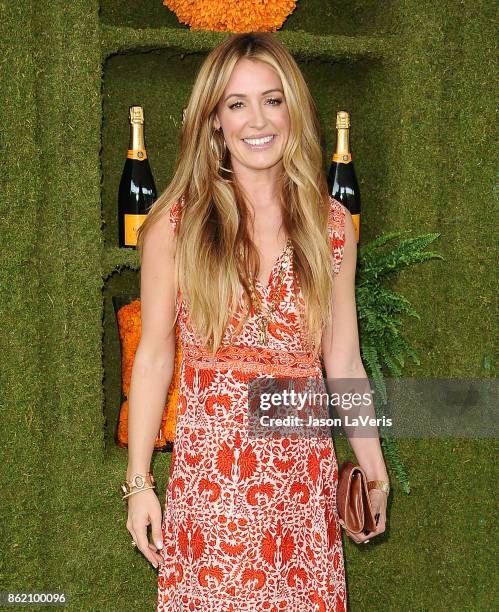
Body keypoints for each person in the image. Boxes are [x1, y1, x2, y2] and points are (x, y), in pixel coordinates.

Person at [123, 32, 390, 611]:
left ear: (293, 109)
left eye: (272, 99)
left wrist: (373, 469)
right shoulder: (178, 224)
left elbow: (343, 360)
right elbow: (154, 356)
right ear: (215, 120)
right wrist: (141, 485)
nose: (257, 120)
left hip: (303, 486)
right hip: (214, 488)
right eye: (237, 104)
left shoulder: (332, 225)